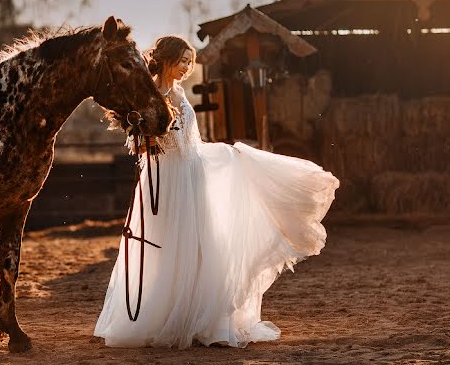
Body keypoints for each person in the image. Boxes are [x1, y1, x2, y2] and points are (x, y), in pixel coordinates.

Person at [94, 36, 340, 348]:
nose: (186, 67)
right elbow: (140, 143)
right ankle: (165, 316)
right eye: (182, 60)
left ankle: (199, 316)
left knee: (203, 240)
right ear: (167, 59)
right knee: (169, 245)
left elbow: (189, 140)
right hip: (169, 177)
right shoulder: (151, 94)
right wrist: (145, 137)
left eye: (188, 62)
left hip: (192, 171)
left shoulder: (179, 92)